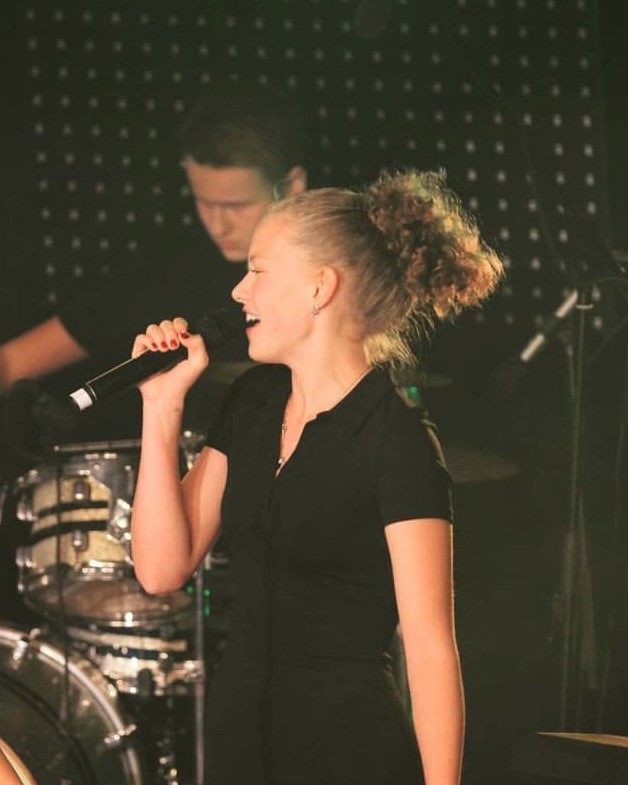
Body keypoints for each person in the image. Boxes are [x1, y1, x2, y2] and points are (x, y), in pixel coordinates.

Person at [129, 169, 504, 785]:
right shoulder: (253, 403)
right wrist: (161, 407)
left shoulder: (396, 441)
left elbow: (430, 647)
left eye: (258, 270)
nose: (239, 291)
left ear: (320, 287)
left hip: (346, 751)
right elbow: (160, 569)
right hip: (239, 743)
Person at [0, 78, 307, 398]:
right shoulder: (163, 271)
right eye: (204, 202)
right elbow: (11, 363)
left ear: (292, 186)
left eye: (236, 206)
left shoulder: (335, 260)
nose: (219, 225)